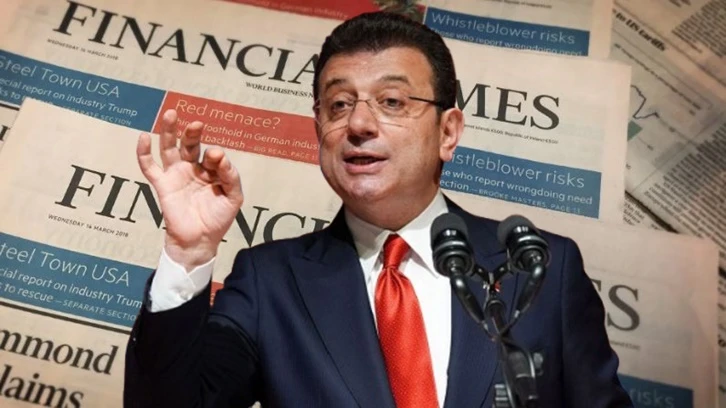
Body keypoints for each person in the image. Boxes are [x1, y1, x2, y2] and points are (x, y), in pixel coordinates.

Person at [123, 11, 633, 408]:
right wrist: (188, 253)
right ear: (318, 129)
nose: (359, 124)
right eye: (339, 104)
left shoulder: (541, 270)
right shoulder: (269, 281)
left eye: (392, 102)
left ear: (448, 132)